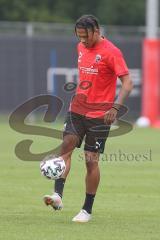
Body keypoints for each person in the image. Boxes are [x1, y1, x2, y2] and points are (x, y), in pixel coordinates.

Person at [43, 15, 133, 223]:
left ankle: (86, 210)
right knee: (65, 148)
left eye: (86, 36)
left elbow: (127, 83)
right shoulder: (80, 48)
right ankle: (57, 196)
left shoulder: (112, 52)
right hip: (77, 110)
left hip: (100, 116)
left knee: (91, 161)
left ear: (96, 31)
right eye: (79, 37)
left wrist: (115, 108)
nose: (83, 41)